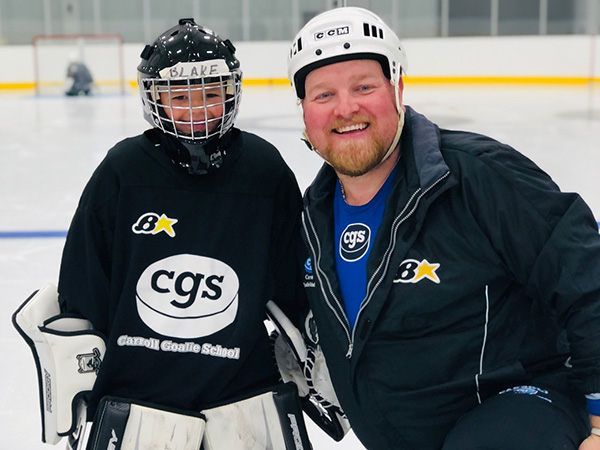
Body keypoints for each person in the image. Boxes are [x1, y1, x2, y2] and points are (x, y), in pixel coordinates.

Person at [286, 6, 600, 450]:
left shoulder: (478, 177)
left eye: (364, 86)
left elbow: (586, 278)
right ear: (304, 112)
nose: (346, 107)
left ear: (397, 89)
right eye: (323, 96)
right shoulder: (310, 218)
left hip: (523, 407)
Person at [45, 18, 307, 449]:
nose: (198, 109)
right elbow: (85, 283)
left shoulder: (264, 170)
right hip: (139, 396)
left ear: (231, 92)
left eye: (210, 94)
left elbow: (293, 281)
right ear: (155, 100)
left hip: (242, 394)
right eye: (180, 97)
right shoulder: (123, 170)